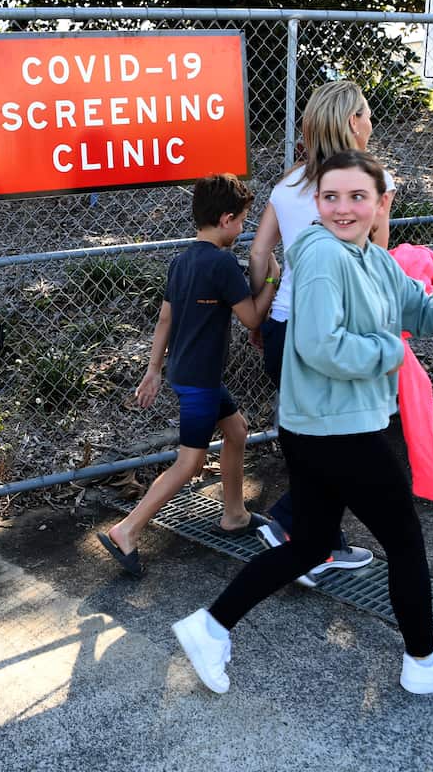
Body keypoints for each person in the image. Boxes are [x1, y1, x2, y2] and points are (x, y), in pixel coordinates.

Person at [172, 150, 433, 697]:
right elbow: (320, 346)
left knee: (310, 545)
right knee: (404, 541)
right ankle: (423, 658)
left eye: (357, 197)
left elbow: (414, 303)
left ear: (379, 203)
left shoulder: (370, 257)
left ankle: (210, 627)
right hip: (338, 430)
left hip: (321, 428)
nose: (343, 208)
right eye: (331, 197)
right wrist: (388, 353)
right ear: (317, 202)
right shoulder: (325, 256)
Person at [97, 174, 276, 576]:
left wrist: (154, 369)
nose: (244, 228)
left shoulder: (182, 260)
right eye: (243, 220)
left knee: (236, 430)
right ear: (227, 219)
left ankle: (234, 514)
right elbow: (251, 316)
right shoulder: (223, 263)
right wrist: (270, 280)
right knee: (189, 462)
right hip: (201, 383)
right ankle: (126, 530)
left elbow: (165, 318)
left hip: (188, 372)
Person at [246, 80, 386, 585]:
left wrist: (261, 313)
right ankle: (295, 528)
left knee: (315, 442)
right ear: (352, 122)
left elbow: (259, 254)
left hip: (284, 327)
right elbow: (376, 258)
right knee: (351, 444)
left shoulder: (287, 185)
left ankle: (319, 539)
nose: (371, 123)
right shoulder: (366, 179)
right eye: (367, 114)